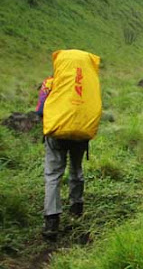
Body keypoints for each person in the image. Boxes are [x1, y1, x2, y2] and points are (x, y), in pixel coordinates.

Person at [37, 76, 89, 241]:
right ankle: (76, 209)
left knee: (53, 175)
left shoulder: (50, 82)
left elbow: (40, 110)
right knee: (76, 168)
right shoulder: (86, 83)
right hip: (79, 134)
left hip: (55, 133)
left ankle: (52, 221)